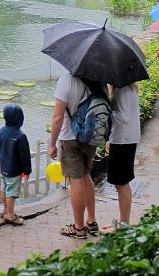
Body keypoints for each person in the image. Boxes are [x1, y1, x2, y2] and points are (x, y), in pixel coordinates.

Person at [49, 75, 108, 238]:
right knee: (86, 175)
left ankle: (78, 227)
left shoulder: (66, 80)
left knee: (75, 180)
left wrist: (52, 143)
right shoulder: (100, 81)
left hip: (69, 138)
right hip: (90, 138)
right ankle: (91, 221)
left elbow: (57, 117)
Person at [102, 83, 141, 232]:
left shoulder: (122, 89)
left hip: (124, 141)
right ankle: (123, 222)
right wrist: (110, 139)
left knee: (121, 183)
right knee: (121, 183)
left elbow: (123, 117)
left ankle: (124, 224)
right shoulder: (127, 88)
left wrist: (107, 108)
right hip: (123, 139)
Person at [0, 104, 32, 225]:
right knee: (12, 192)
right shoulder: (20, 136)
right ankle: (10, 215)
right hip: (14, 169)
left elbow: (0, 148)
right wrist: (27, 170)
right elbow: (25, 156)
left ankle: (5, 211)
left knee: (5, 189)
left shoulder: (1, 131)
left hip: (4, 167)